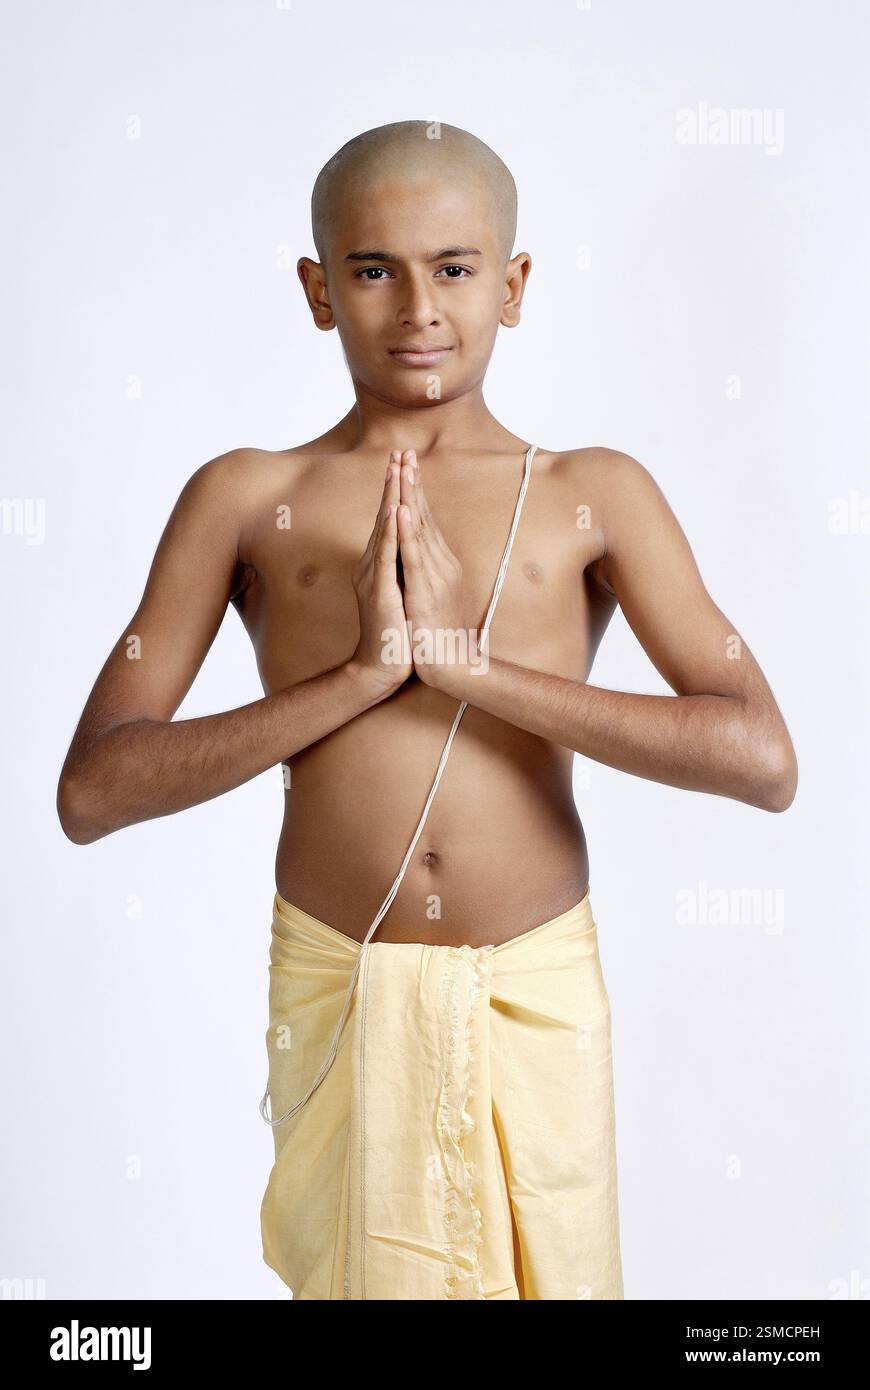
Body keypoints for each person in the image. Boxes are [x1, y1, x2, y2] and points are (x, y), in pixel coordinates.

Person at [56, 120, 798, 1301]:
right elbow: (93, 790)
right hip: (343, 985)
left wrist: (471, 670)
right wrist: (352, 679)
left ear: (513, 286)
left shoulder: (592, 493)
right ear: (316, 290)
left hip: (534, 991)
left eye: (454, 268)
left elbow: (761, 757)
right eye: (372, 270)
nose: (417, 309)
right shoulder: (249, 495)